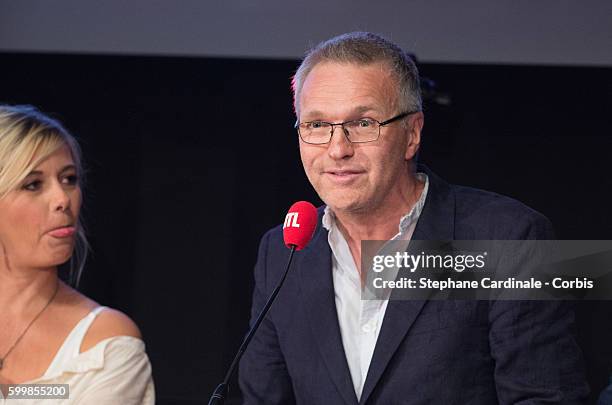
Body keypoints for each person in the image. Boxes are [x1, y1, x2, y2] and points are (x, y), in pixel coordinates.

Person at [238, 32, 589, 404]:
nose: (337, 149)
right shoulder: (282, 252)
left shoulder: (510, 239)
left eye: (363, 123)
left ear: (412, 134)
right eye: (317, 125)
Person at [0, 105, 154, 404]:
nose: (62, 199)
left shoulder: (104, 342)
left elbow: (32, 392)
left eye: (69, 179)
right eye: (34, 184)